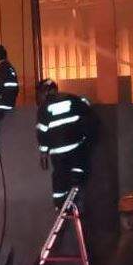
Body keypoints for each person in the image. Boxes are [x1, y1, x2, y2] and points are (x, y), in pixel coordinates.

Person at [35, 79, 97, 210]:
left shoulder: (44, 107)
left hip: (58, 151)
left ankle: (60, 205)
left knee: (59, 176)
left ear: (43, 92)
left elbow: (42, 133)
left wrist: (43, 153)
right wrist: (87, 136)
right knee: (79, 167)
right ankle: (77, 184)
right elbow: (87, 110)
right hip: (75, 146)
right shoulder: (72, 98)